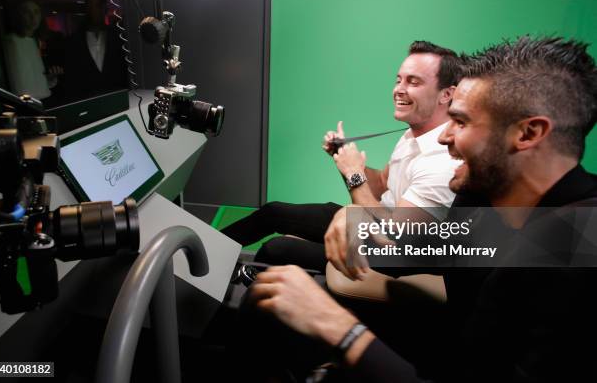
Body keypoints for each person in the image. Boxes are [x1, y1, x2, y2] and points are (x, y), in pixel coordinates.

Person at [249, 36, 597, 382]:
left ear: (528, 133)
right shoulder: (484, 198)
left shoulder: (573, 252)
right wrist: (358, 224)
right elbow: (422, 252)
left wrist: (342, 331)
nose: (445, 138)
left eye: (461, 123)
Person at [223, 41, 462, 271]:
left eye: (414, 82)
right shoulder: (414, 134)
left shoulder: (443, 159)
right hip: (374, 221)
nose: (399, 89)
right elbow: (380, 184)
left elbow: (394, 236)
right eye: (399, 80)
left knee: (278, 250)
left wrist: (354, 173)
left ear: (446, 95)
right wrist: (344, 158)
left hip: (394, 254)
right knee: (272, 212)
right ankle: (202, 254)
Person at [64, 0, 126, 99]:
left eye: (97, 5)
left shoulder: (118, 37)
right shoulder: (75, 40)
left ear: (104, 8)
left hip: (116, 97)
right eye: (89, 6)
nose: (93, 10)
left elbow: (123, 70)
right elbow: (73, 76)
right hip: (87, 101)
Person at [3, 0, 53, 100]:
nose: (33, 17)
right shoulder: (11, 42)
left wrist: (51, 79)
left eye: (36, 12)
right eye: (27, 12)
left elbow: (38, 79)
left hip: (43, 101)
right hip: (27, 105)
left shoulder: (35, 41)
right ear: (18, 15)